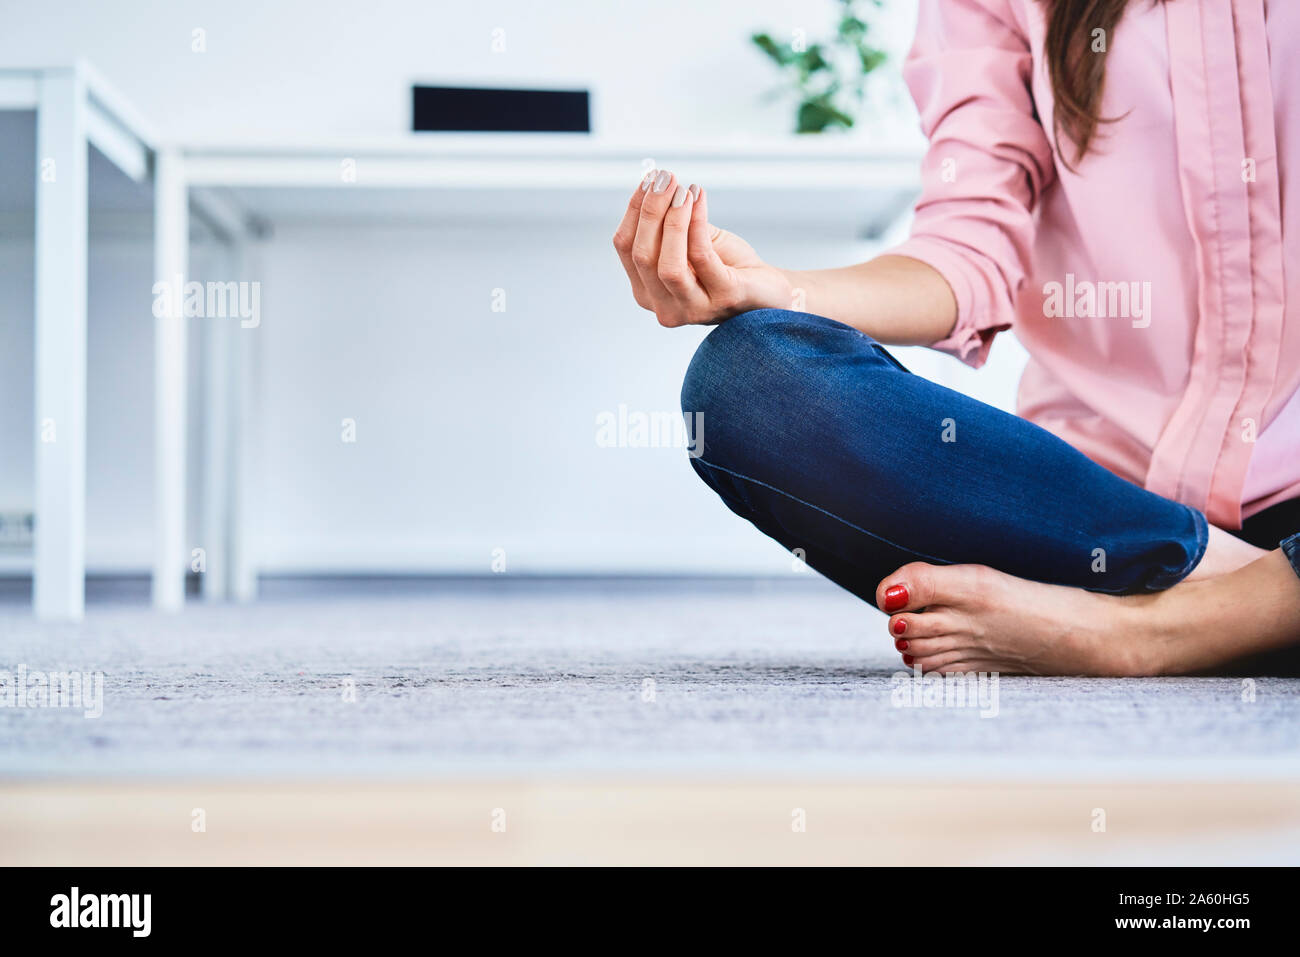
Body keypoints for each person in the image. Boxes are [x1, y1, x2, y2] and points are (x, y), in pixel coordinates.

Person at [610, 0, 1300, 676]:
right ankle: (1246, 594)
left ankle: (1144, 632)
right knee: (746, 382)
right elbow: (969, 243)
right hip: (1089, 521)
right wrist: (775, 288)